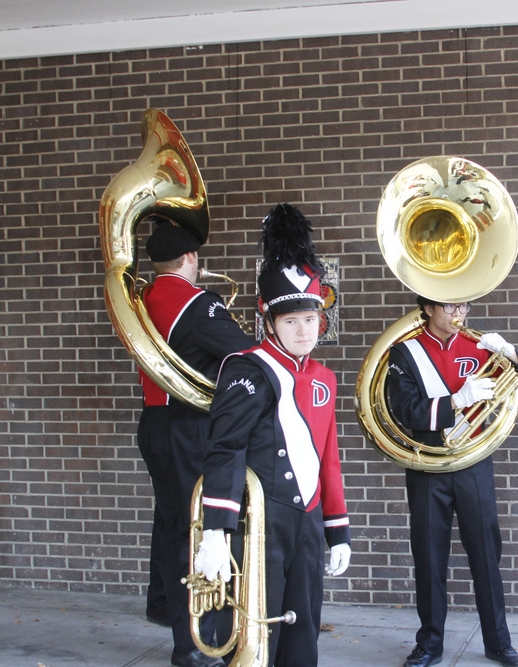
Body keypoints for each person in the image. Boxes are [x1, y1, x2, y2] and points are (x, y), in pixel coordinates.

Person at [195, 204, 352, 667]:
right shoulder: (247, 369)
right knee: (256, 629)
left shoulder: (325, 377)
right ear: (268, 321)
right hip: (260, 525)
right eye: (291, 322)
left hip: (306, 521)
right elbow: (225, 449)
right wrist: (216, 533)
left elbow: (329, 459)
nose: (304, 331)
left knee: (304, 630)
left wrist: (336, 529)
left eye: (311, 320)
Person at [386, 295, 518, 667]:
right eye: (450, 306)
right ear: (427, 308)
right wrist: (455, 400)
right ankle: (429, 645)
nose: (459, 314)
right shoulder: (405, 352)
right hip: (428, 465)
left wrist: (509, 352)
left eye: (464, 306)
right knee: (429, 556)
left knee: (487, 556)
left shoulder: (479, 345)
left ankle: (498, 642)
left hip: (474, 462)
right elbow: (402, 408)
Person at [137, 220, 256, 667]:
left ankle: (166, 609)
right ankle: (196, 642)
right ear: (189, 259)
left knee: (172, 524)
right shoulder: (196, 302)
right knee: (201, 530)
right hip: (190, 427)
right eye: (197, 259)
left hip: (154, 423)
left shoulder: (143, 299)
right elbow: (244, 354)